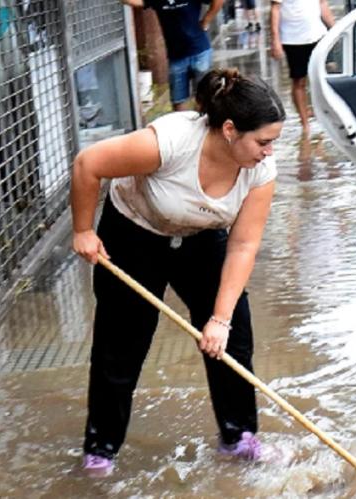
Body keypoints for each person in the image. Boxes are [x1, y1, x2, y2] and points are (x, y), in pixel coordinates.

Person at [72, 68, 286, 476]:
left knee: (233, 339)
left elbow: (243, 244)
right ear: (228, 129)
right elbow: (88, 163)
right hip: (135, 232)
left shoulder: (261, 171)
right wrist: (82, 230)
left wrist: (219, 320)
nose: (269, 151)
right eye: (263, 141)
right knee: (122, 345)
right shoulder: (168, 143)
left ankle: (238, 436)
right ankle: (101, 449)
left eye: (273, 141)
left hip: (202, 238)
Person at [121, 0, 225, 111]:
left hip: (200, 52)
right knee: (178, 101)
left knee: (205, 99)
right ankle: (185, 127)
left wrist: (206, 20)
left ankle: (201, 126)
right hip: (176, 57)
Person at [270, 0, 335, 133]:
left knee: (322, 77)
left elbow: (323, 4)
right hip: (293, 39)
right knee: (299, 81)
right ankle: (305, 123)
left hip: (318, 34)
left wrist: (335, 29)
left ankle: (320, 116)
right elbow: (275, 9)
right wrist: (275, 40)